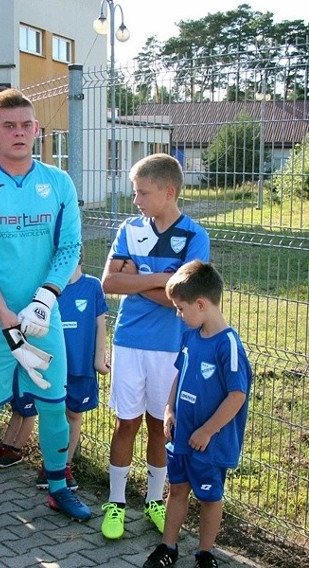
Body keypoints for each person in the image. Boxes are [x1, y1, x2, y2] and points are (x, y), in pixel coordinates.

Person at [0, 88, 88, 539]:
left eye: (25, 125)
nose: (18, 133)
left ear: (37, 130)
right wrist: (4, 311)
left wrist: (44, 299)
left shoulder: (59, 183)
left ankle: (58, 487)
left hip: (43, 319)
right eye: (8, 126)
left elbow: (69, 248)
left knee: (53, 407)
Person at [99, 152, 211, 540]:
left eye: (142, 193)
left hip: (171, 347)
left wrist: (142, 278)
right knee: (125, 423)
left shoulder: (195, 236)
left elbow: (187, 299)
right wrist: (163, 279)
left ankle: (153, 501)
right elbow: (109, 284)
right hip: (129, 341)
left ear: (169, 192)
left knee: (158, 426)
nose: (136, 201)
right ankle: (115, 503)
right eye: (135, 193)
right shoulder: (130, 229)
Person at [142, 260, 252, 568]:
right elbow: (180, 373)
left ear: (201, 304)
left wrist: (208, 431)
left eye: (180, 308)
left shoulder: (227, 344)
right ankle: (168, 547)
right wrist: (168, 409)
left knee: (209, 497)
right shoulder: (191, 335)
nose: (178, 314)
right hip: (181, 435)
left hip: (208, 443)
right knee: (176, 489)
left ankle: (205, 553)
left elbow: (237, 394)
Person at [35, 255, 111, 490]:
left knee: (74, 415)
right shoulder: (47, 288)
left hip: (81, 367)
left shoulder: (92, 286)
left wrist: (100, 359)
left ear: (79, 258)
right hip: (54, 366)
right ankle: (50, 465)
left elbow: (101, 325)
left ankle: (65, 466)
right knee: (52, 414)